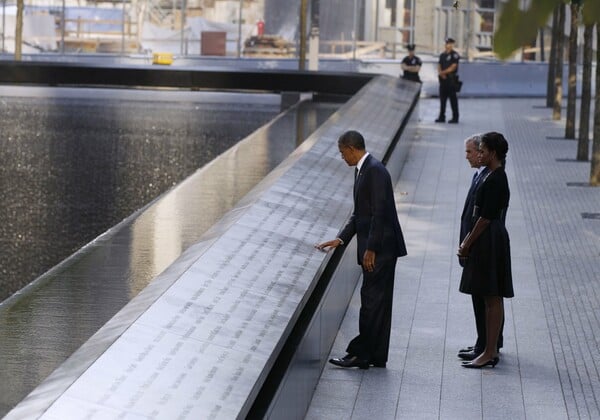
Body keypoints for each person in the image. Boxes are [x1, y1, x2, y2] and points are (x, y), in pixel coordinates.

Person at [316, 130, 407, 369]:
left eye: (342, 152)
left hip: (381, 250)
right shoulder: (363, 170)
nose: (342, 157)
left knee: (370, 302)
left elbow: (380, 212)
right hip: (381, 248)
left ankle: (360, 354)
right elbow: (361, 214)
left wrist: (371, 249)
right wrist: (341, 239)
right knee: (378, 303)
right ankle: (376, 354)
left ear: (352, 148)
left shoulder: (374, 171)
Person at [458, 132, 513, 369]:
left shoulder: (497, 178)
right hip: (487, 238)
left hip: (490, 240)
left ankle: (490, 351)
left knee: (492, 296)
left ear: (492, 152)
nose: (479, 155)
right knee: (488, 295)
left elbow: (485, 218)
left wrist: (467, 243)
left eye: (482, 151)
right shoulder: (490, 175)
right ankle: (487, 348)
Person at [435, 37, 460, 124]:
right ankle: (442, 116)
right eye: (446, 43)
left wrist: (443, 72)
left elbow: (453, 66)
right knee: (442, 99)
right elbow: (439, 65)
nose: (447, 45)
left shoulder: (455, 55)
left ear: (452, 44)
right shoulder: (442, 55)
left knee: (453, 99)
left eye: (449, 43)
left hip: (451, 80)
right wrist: (441, 73)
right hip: (443, 80)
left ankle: (455, 117)